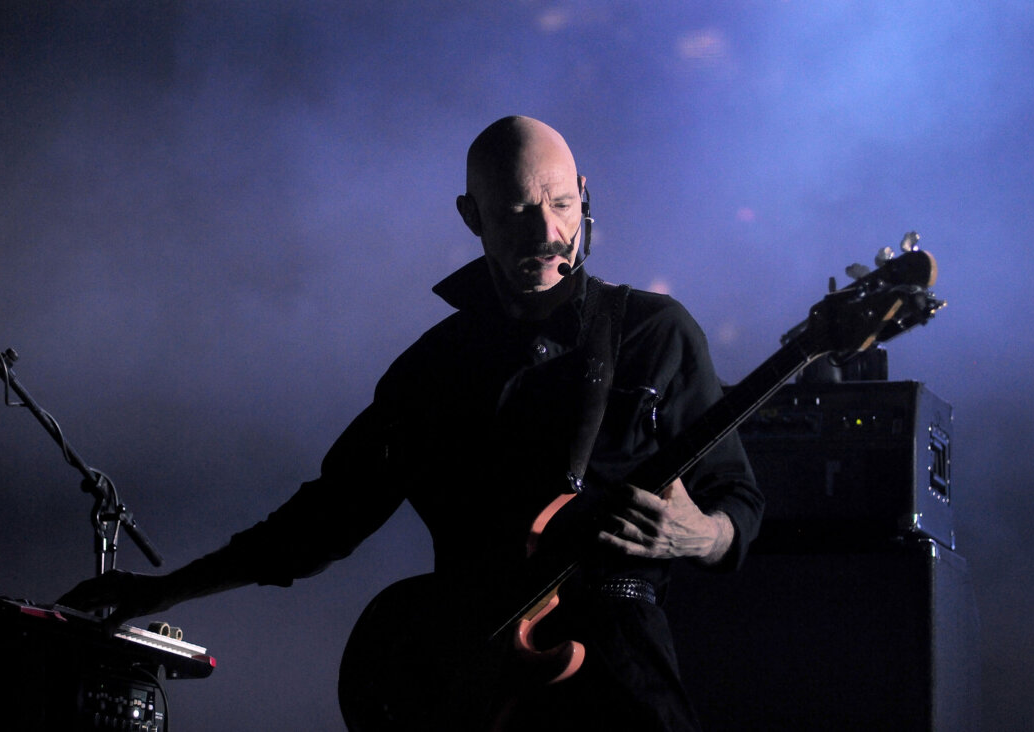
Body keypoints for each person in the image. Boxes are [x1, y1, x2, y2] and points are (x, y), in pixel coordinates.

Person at [60, 115, 762, 731]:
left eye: (559, 204)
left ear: (583, 192)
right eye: (517, 212)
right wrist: (162, 591)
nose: (548, 234)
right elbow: (322, 522)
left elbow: (737, 498)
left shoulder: (654, 333)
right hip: (465, 680)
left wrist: (703, 535)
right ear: (471, 215)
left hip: (619, 666)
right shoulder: (434, 369)